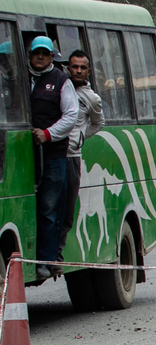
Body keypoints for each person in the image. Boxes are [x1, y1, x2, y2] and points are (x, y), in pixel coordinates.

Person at [27, 36, 79, 278]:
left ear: (51, 56)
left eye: (44, 53)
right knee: (31, 207)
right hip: (25, 156)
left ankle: (45, 261)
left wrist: (47, 135)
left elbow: (71, 116)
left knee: (50, 208)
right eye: (36, 52)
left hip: (53, 155)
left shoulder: (61, 80)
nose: (40, 57)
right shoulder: (21, 78)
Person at [59, 49, 102, 244]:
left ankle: (58, 252)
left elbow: (98, 123)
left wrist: (80, 138)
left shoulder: (92, 98)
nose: (78, 71)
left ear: (88, 71)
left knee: (68, 208)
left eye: (82, 68)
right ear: (68, 68)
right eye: (74, 67)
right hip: (52, 154)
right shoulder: (60, 86)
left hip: (71, 157)